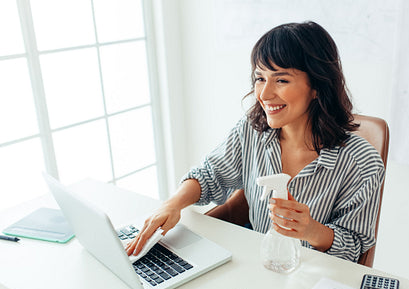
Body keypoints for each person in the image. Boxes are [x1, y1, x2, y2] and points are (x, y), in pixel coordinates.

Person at [126, 21, 385, 262]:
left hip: (314, 282)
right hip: (257, 268)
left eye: (281, 80)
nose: (264, 93)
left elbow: (354, 246)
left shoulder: (363, 163)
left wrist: (311, 230)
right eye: (260, 78)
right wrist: (172, 205)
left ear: (317, 86)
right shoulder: (252, 131)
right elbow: (210, 174)